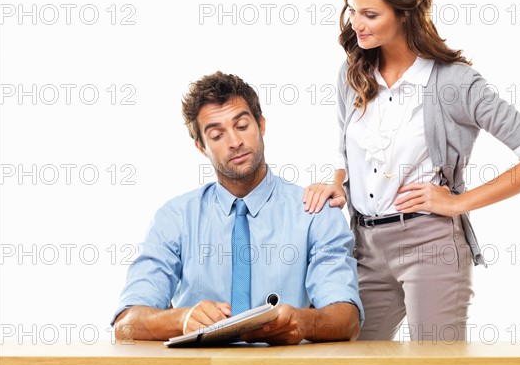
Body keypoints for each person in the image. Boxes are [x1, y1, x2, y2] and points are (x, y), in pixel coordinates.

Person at [303, 0, 520, 342]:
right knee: (349, 358)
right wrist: (337, 183)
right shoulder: (352, 72)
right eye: (352, 10)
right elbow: (348, 153)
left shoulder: (455, 83)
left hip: (430, 244)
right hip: (363, 245)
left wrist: (458, 202)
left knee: (435, 364)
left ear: (405, 13)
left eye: (370, 14)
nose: (356, 23)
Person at [112, 72, 362, 344]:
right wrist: (181, 320)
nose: (234, 142)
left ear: (261, 125)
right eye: (217, 135)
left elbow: (347, 320)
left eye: (242, 126)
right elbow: (125, 326)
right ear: (201, 147)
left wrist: (303, 323)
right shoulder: (175, 218)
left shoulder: (314, 212)